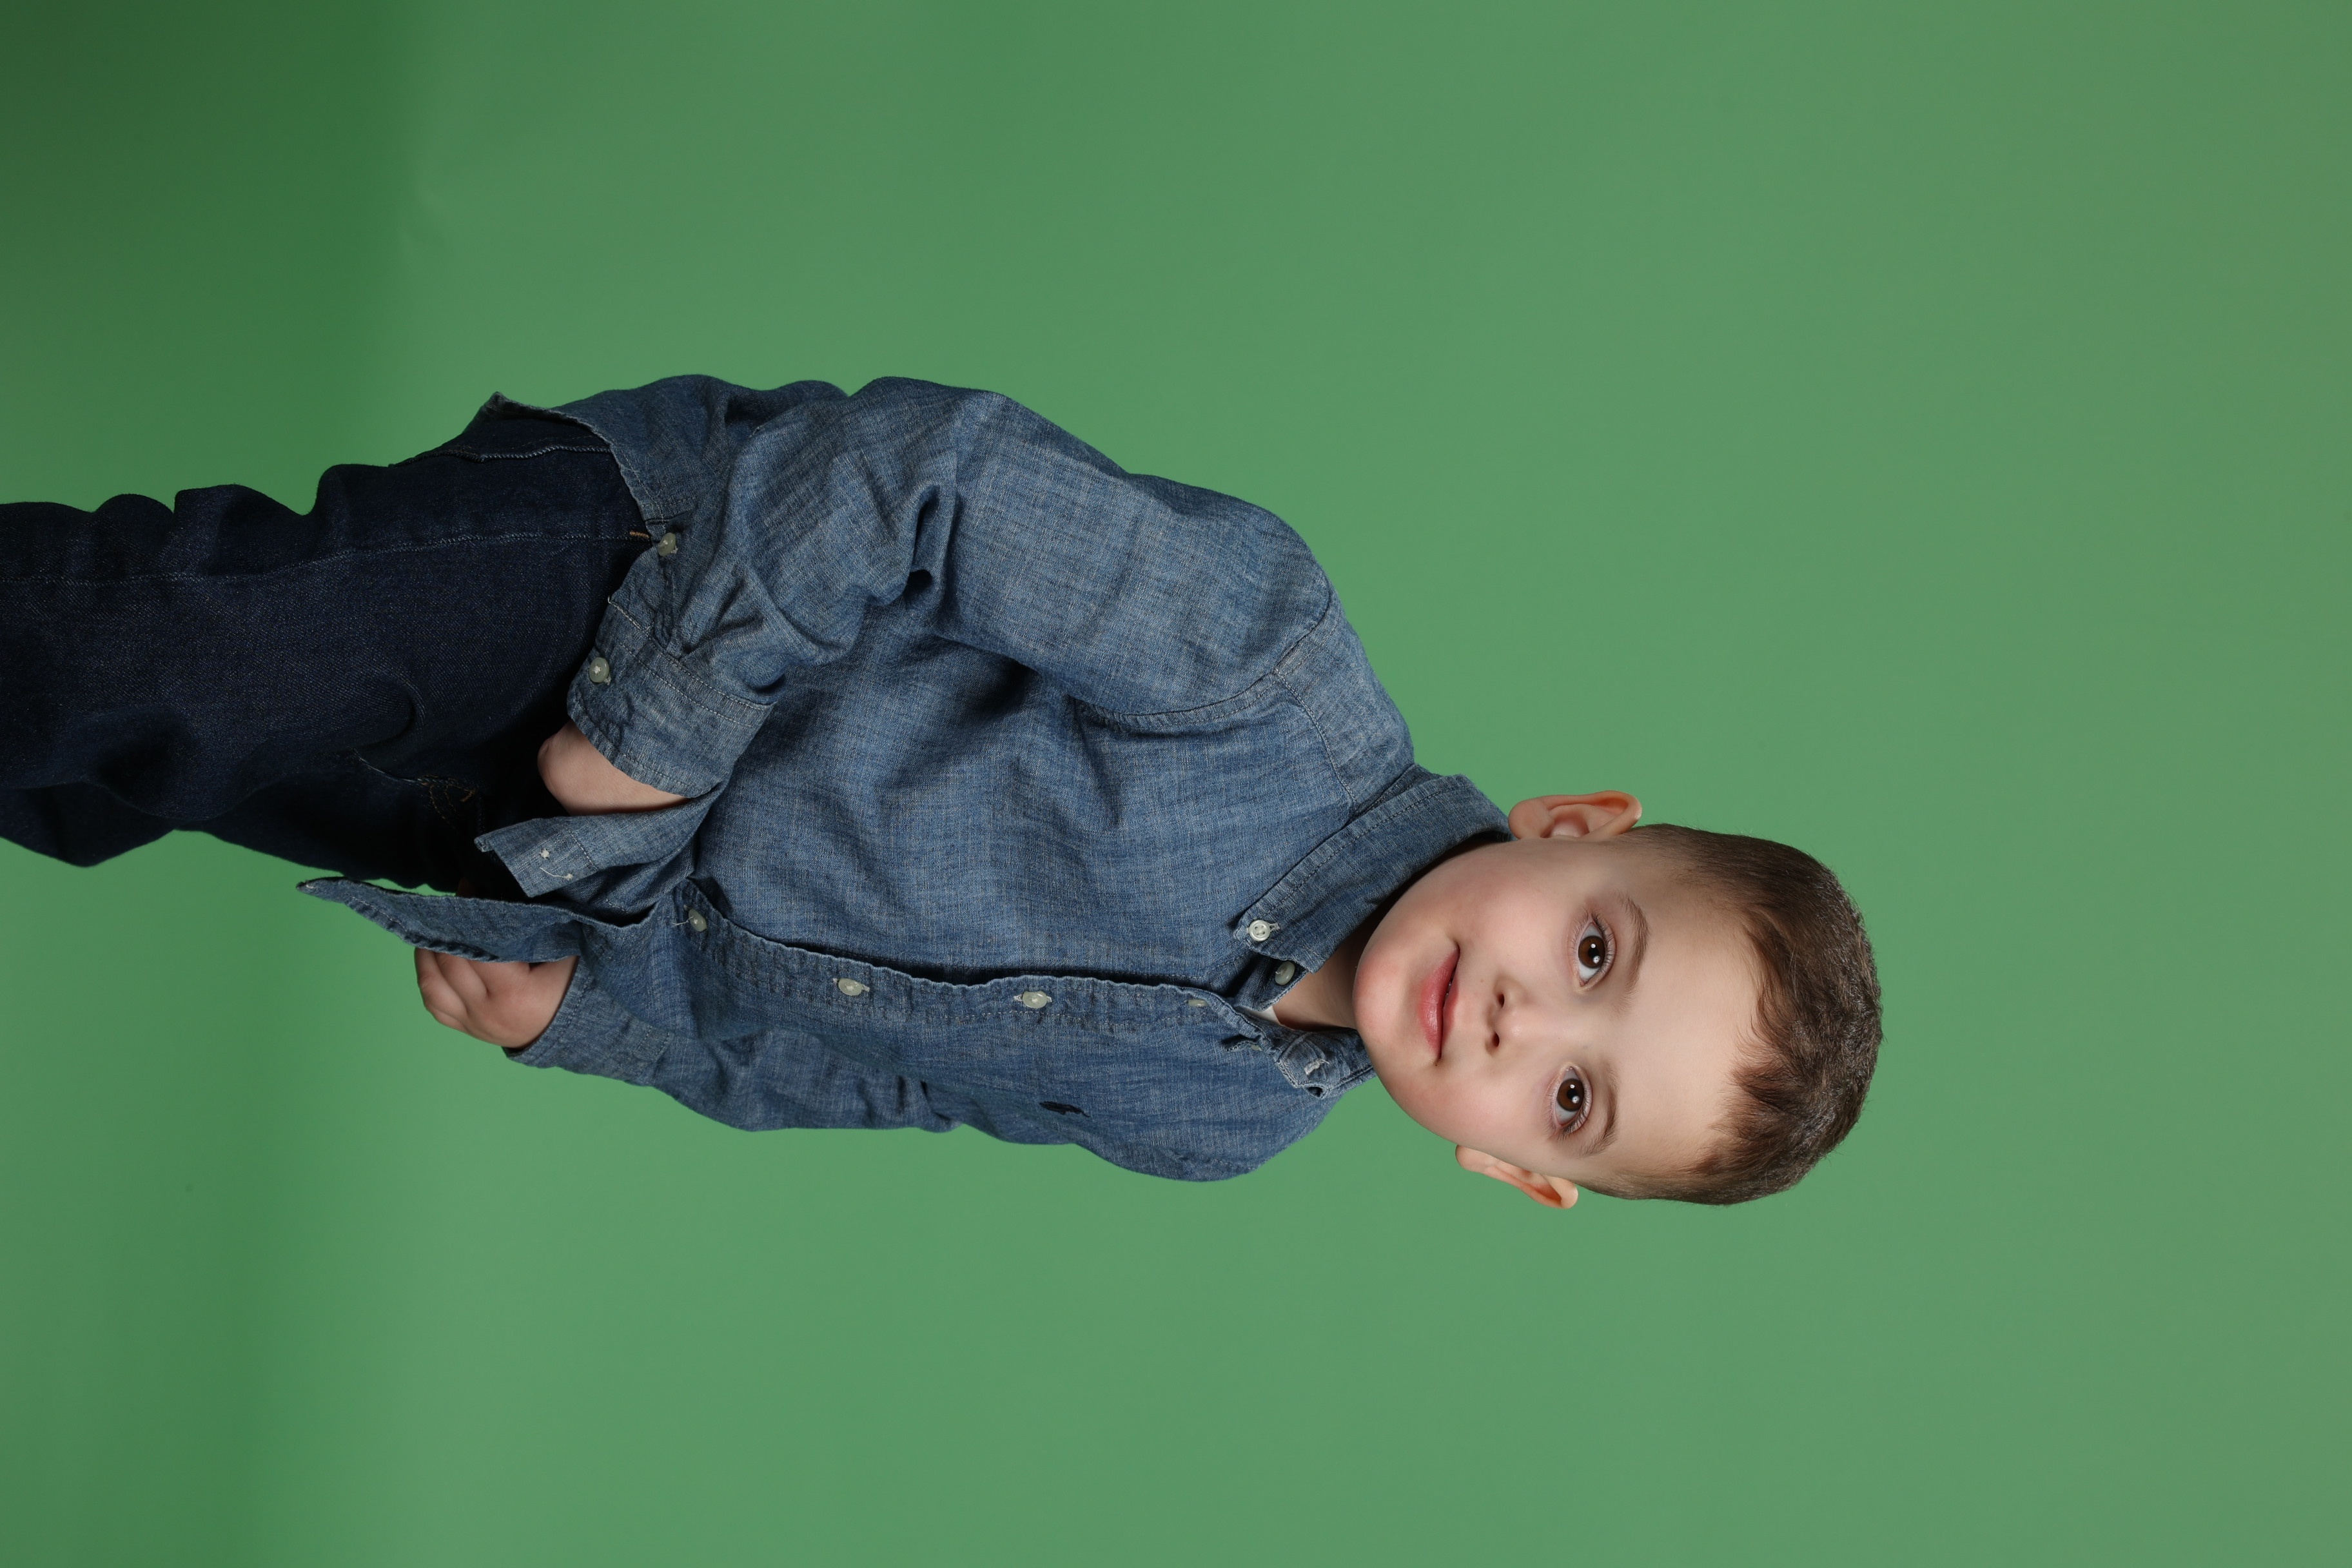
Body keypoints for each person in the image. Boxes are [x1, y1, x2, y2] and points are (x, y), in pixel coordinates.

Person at [0, 377, 1879, 1204]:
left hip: (559, 874)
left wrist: (594, 1025)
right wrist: (666, 724)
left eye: (1573, 1095)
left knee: (131, 760)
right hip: (631, 583)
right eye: (1598, 951)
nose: (1528, 1018)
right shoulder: (1270, 677)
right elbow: (928, 475)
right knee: (152, 650)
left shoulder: (1215, 1126)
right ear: (1576, 830)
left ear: (1518, 1169)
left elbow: (872, 1075)